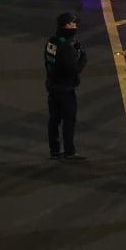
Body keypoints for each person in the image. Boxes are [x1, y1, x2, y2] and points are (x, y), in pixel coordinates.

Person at [44, 11, 88, 161]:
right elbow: (74, 69)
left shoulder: (52, 42)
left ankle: (54, 150)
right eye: (73, 23)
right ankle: (69, 151)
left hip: (52, 86)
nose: (75, 26)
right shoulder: (66, 47)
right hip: (65, 89)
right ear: (67, 25)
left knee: (54, 119)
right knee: (69, 120)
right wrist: (83, 57)